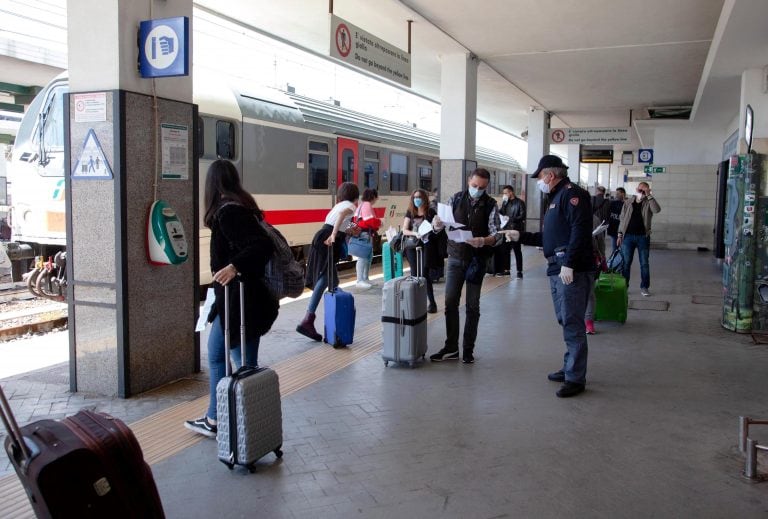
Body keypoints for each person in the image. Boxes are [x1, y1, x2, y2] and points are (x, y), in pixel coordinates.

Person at [185, 159, 279, 437]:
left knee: (216, 355)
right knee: (246, 364)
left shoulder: (227, 212)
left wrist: (233, 266)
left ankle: (216, 419)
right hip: (250, 300)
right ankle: (250, 416)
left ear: (212, 184)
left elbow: (260, 246)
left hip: (238, 300)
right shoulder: (244, 207)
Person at [506, 155, 593, 398]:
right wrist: (520, 236)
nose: (539, 182)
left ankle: (575, 378)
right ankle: (569, 368)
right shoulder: (555, 198)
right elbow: (549, 238)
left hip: (570, 270)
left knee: (573, 324)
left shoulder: (572, 195)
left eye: (540, 177)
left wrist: (570, 264)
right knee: (566, 321)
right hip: (556, 269)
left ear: (550, 175)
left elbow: (580, 230)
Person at [430, 168, 500, 364]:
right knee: (450, 303)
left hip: (476, 261)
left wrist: (484, 241)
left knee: (472, 306)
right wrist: (437, 224)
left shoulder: (491, 205)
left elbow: (497, 235)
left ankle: (468, 349)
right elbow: (441, 226)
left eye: (482, 188)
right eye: (474, 186)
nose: (477, 190)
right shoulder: (456, 199)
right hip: (454, 258)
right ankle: (451, 347)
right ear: (469, 181)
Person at [296, 182, 360, 341]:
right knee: (326, 278)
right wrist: (333, 234)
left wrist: (352, 228)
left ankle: (331, 325)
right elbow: (341, 217)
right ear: (355, 196)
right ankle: (309, 319)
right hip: (328, 240)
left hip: (322, 236)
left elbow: (343, 220)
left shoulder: (338, 205)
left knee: (333, 281)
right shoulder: (351, 207)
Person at [617, 181, 661, 297]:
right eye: (640, 190)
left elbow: (657, 210)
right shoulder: (628, 202)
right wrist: (620, 234)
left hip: (643, 237)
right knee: (626, 263)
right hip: (628, 237)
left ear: (648, 191)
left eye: (644, 190)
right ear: (636, 189)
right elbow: (622, 219)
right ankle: (624, 287)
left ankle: (644, 287)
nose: (641, 192)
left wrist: (649, 195)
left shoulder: (649, 202)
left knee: (644, 263)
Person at [401, 188, 438, 313]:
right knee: (414, 274)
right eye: (415, 197)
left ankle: (432, 303)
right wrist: (414, 233)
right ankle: (415, 302)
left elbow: (437, 228)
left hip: (426, 246)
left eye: (419, 197)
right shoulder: (410, 212)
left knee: (424, 274)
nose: (417, 199)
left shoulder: (430, 212)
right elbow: (404, 230)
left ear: (424, 199)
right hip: (412, 246)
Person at [495, 185, 526, 278]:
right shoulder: (505, 203)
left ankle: (519, 271)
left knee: (517, 250)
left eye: (505, 193)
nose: (504, 195)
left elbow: (522, 216)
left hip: (515, 229)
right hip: (505, 230)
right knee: (505, 250)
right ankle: (506, 270)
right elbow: (500, 213)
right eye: (503, 193)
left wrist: (510, 218)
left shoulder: (520, 203)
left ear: (511, 192)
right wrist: (502, 204)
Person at [353, 188, 381, 289]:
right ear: (373, 196)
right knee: (363, 257)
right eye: (376, 197)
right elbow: (370, 221)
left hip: (365, 233)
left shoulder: (361, 205)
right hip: (364, 233)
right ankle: (360, 280)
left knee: (368, 257)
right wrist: (380, 223)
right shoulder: (367, 205)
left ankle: (365, 278)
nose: (376, 199)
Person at [585, 214, 607, 335]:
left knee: (589, 291)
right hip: (571, 260)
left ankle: (589, 321)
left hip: (591, 259)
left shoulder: (594, 219)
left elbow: (600, 240)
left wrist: (603, 258)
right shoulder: (567, 214)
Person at [606, 187, 626, 253]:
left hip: (623, 230)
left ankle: (621, 262)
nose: (616, 195)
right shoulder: (612, 203)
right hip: (613, 230)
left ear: (623, 194)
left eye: (618, 193)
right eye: (616, 193)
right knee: (614, 249)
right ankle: (614, 262)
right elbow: (608, 215)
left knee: (623, 250)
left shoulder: (627, 204)